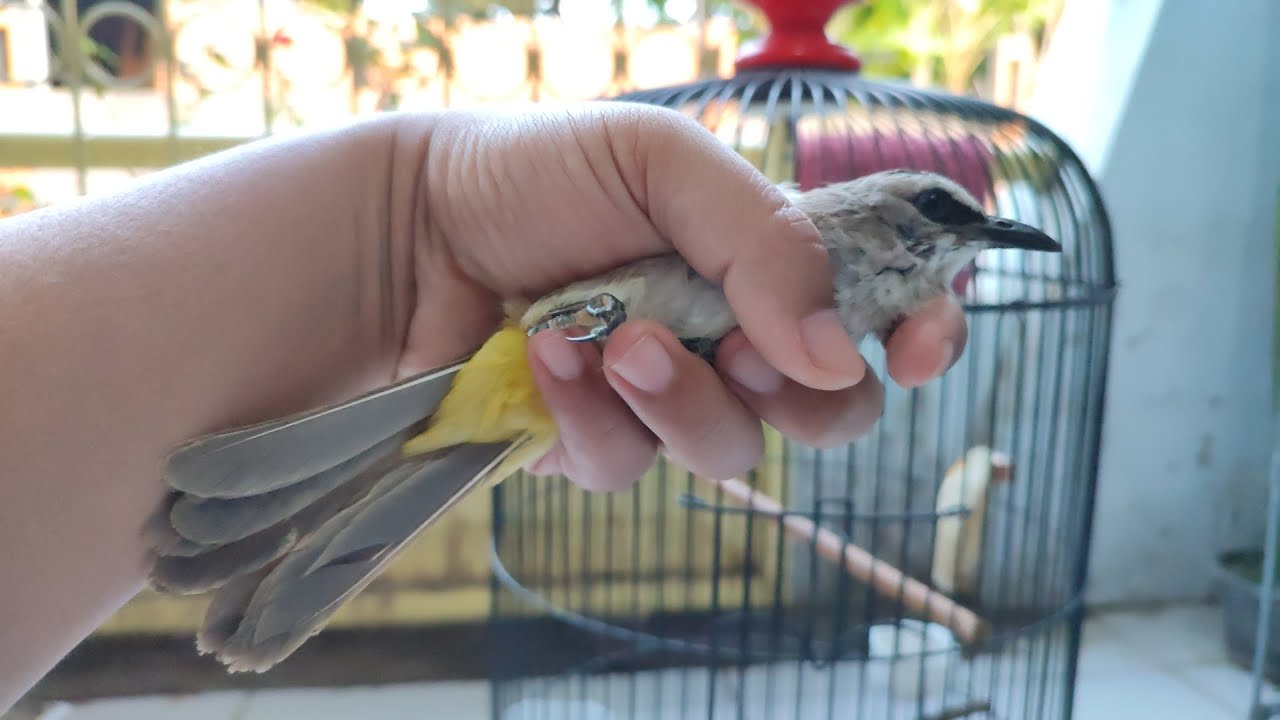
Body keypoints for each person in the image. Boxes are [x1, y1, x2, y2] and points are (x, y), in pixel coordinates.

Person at [0, 104, 967, 710]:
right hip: (541, 336)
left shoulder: (862, 312)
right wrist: (417, 208)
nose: (963, 240)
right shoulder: (785, 217)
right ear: (885, 206)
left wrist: (410, 215)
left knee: (637, 384)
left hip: (547, 386)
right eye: (943, 216)